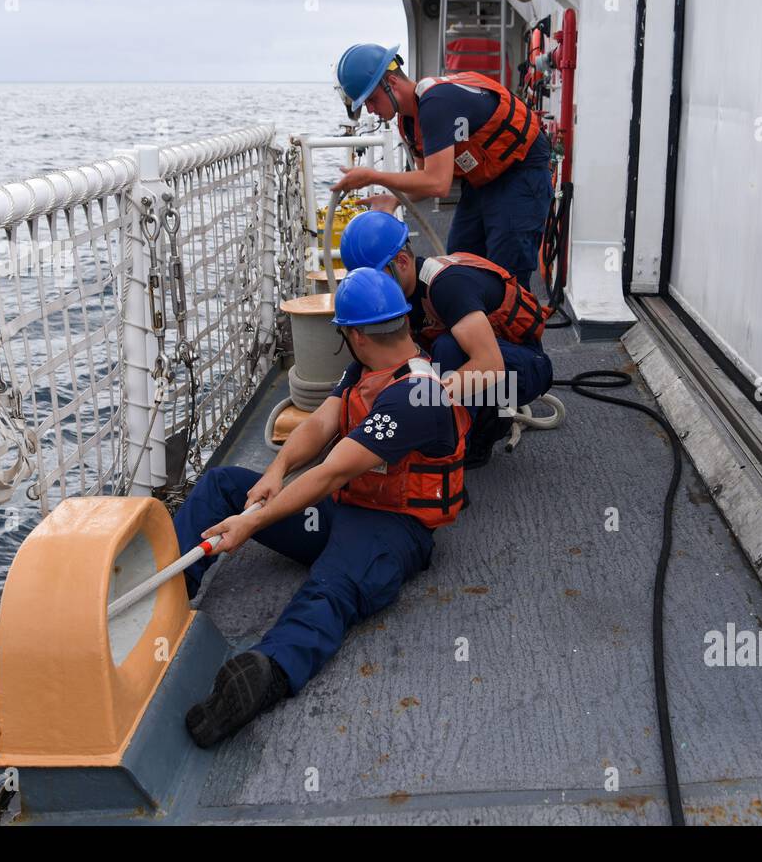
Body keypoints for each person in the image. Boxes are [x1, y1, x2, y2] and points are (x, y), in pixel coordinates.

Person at [175, 268, 471, 747]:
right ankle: (169, 585)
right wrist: (276, 469)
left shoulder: (416, 395)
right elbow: (322, 422)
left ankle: (269, 670)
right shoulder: (366, 367)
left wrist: (252, 524)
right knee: (225, 484)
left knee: (331, 586)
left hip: (394, 529)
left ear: (353, 334)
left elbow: (331, 471)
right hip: (345, 507)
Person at [340, 209, 554, 468]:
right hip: (490, 365)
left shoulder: (446, 287)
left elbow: (490, 364)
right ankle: (455, 422)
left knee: (447, 347)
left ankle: (471, 439)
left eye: (376, 277)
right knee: (424, 356)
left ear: (402, 262)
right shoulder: (401, 295)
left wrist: (418, 404)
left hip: (523, 368)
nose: (371, 288)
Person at [332, 42, 553, 289]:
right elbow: (425, 182)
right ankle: (474, 320)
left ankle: (510, 323)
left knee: (507, 273)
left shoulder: (437, 103)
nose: (371, 111)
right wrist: (395, 199)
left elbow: (438, 183)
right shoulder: (408, 123)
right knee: (460, 261)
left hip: (521, 171)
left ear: (391, 83)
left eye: (372, 100)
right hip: (483, 180)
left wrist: (374, 176)